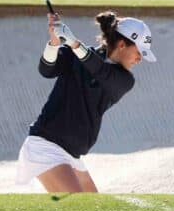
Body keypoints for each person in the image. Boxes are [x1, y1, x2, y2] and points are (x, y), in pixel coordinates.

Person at [17, 11, 154, 193]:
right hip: (46, 147)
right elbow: (47, 69)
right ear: (122, 44)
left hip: (72, 155)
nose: (140, 59)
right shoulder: (77, 56)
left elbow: (100, 70)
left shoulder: (124, 80)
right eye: (139, 52)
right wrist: (55, 42)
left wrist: (74, 43)